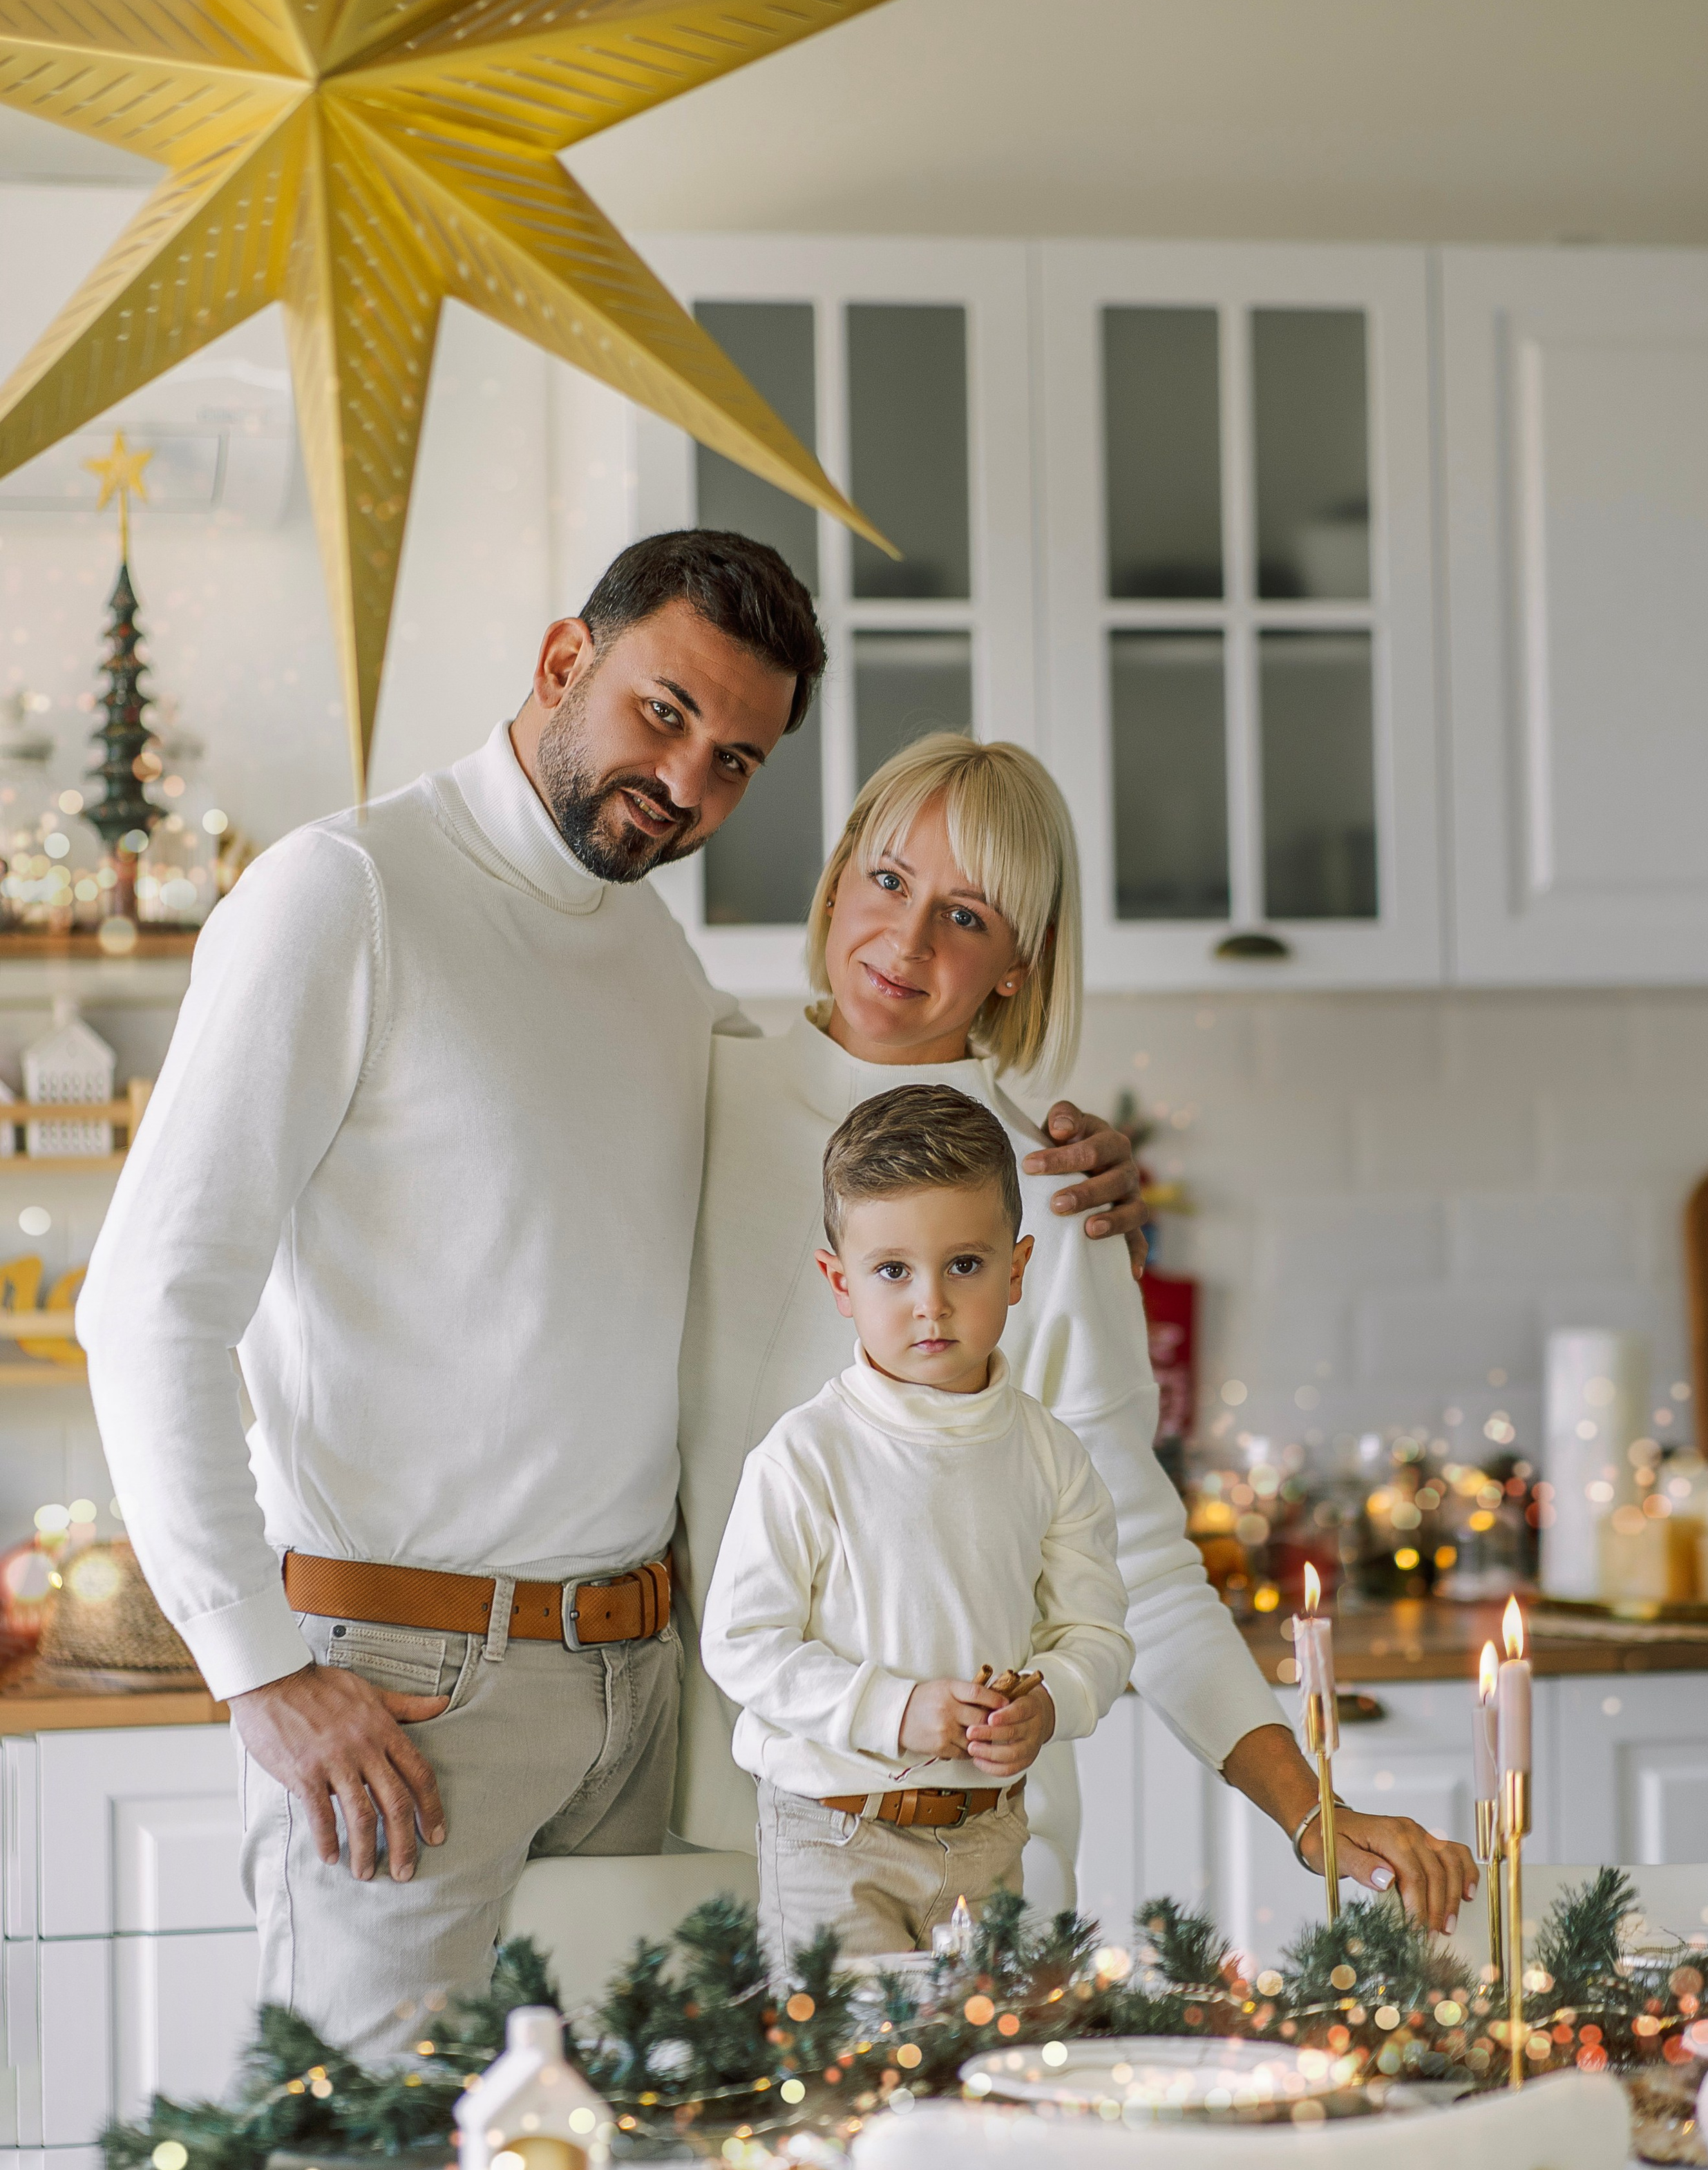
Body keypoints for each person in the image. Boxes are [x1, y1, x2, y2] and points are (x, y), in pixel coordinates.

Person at [76, 532, 1144, 2060]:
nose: (687, 782)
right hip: (406, 1692)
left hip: (642, 1692)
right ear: (563, 661)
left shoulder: (650, 959)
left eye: (735, 761)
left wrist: (1055, 1150)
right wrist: (258, 1669)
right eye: (663, 713)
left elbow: (838, 1114)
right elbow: (148, 1304)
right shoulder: (346, 895)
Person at [677, 732, 1480, 1934]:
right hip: (695, 1825)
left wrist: (1306, 1804)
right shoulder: (692, 1102)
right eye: (889, 880)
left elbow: (1136, 1565)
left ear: (1019, 963)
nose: (906, 942)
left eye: (968, 916)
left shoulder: (1053, 1199)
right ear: (839, 874)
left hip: (977, 1854)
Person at [702, 1084, 1133, 1968]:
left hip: (988, 1836)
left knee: (970, 2077)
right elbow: (742, 1643)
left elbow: (1096, 1633)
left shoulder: (1050, 1456)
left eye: (963, 1266)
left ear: (1017, 1271)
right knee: (848, 2086)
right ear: (839, 1283)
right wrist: (898, 1710)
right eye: (893, 1271)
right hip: (832, 1840)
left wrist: (1049, 1699)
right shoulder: (804, 1456)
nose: (930, 1303)